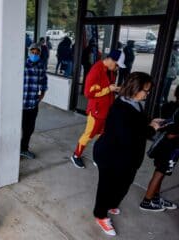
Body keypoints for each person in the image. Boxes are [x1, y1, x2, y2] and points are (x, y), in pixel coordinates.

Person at [92, 72, 161, 236]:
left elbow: (136, 125)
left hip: (127, 157)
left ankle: (111, 204)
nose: (147, 94)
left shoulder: (134, 102)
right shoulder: (121, 109)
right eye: (146, 90)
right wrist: (151, 128)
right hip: (111, 156)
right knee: (106, 187)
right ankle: (100, 215)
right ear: (135, 88)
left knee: (124, 183)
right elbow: (128, 137)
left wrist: (151, 122)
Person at [71, 50, 125, 168]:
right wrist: (108, 89)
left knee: (103, 136)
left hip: (107, 110)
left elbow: (108, 87)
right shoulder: (96, 70)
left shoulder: (111, 71)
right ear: (111, 60)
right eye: (117, 65)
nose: (117, 68)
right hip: (96, 111)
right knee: (89, 134)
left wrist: (114, 89)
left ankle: (97, 156)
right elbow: (88, 93)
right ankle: (76, 155)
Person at [139, 85, 179, 212]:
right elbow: (172, 134)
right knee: (160, 173)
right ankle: (147, 201)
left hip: (162, 145)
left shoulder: (168, 105)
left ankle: (155, 197)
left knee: (160, 171)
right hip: (170, 148)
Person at [20, 43, 48, 159]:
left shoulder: (41, 66)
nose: (35, 54)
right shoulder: (21, 64)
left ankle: (23, 149)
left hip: (32, 104)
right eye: (33, 52)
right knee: (16, 129)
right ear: (29, 52)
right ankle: (13, 151)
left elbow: (44, 81)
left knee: (29, 129)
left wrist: (42, 94)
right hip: (19, 105)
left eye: (37, 53)